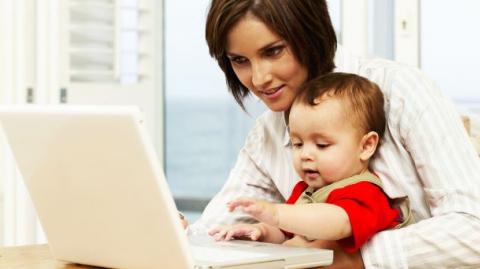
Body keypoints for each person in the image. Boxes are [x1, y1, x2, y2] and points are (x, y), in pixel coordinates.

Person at [188, 0, 480, 268]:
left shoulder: (401, 91)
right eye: (240, 60)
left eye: (273, 51)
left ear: (311, 34)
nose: (259, 78)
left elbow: (474, 230)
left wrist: (356, 259)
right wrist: (180, 234)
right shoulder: (266, 136)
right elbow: (216, 230)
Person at [209, 73, 412, 254]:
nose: (305, 154)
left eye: (322, 145)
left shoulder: (366, 193)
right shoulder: (305, 191)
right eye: (297, 144)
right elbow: (285, 232)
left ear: (366, 146)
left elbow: (338, 222)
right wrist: (261, 230)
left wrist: (276, 213)